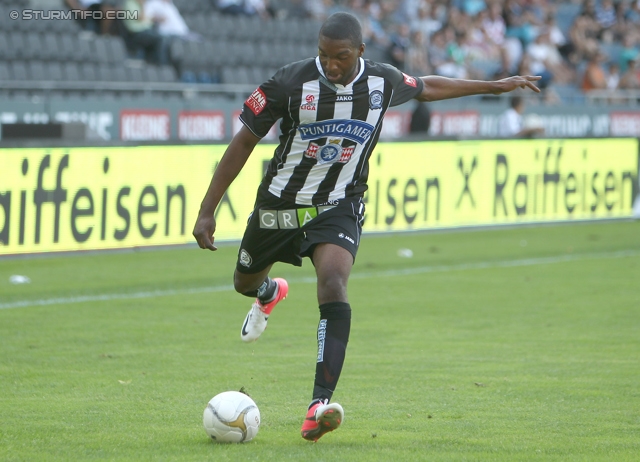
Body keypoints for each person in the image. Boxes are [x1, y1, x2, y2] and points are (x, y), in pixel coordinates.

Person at [192, 12, 540, 443]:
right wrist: (209, 209)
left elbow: (427, 87)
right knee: (243, 282)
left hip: (339, 203)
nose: (332, 65)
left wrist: (493, 85)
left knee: (333, 283)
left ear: (360, 51)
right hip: (280, 203)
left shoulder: (382, 81)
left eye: (340, 57)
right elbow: (244, 140)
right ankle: (268, 293)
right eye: (324, 55)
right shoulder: (289, 83)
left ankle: (318, 404)